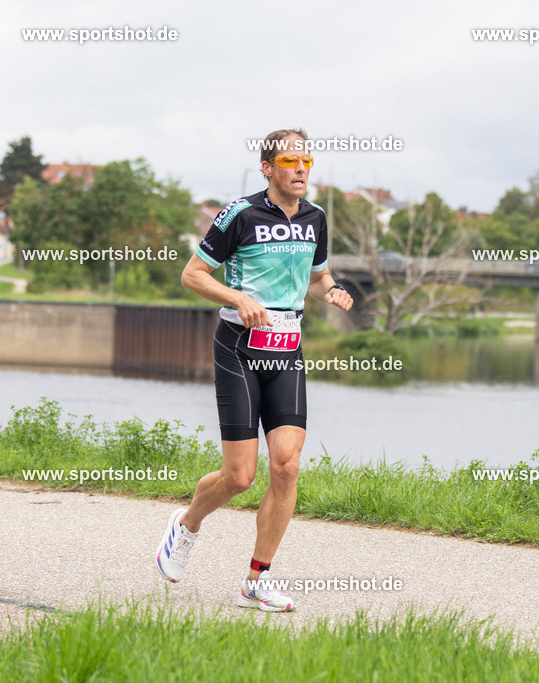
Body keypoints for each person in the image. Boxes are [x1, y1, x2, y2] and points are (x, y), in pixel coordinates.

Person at [155, 128, 353, 612]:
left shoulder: (316, 217)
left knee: (286, 466)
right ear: (268, 168)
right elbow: (192, 275)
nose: (301, 168)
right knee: (240, 476)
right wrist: (238, 296)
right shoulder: (240, 214)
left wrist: (331, 289)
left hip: (286, 348)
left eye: (307, 159)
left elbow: (317, 272)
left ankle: (256, 580)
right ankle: (186, 526)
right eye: (290, 160)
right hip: (239, 349)